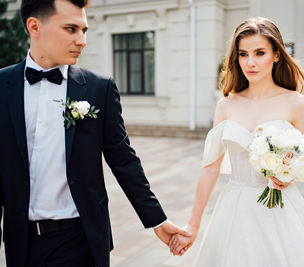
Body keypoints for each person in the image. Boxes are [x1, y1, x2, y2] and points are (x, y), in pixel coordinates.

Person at [0, 0, 190, 266]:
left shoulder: (98, 89)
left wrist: (157, 219)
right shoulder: (2, 86)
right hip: (22, 243)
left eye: (84, 30)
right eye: (71, 29)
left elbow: (124, 160)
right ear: (34, 27)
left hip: (81, 240)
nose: (82, 40)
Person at [168, 17, 304, 266]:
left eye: (260, 53)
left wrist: (288, 175)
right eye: (243, 54)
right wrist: (193, 224)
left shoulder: (295, 103)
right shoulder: (225, 105)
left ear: (277, 54)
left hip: (280, 209)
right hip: (234, 206)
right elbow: (210, 168)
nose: (250, 62)